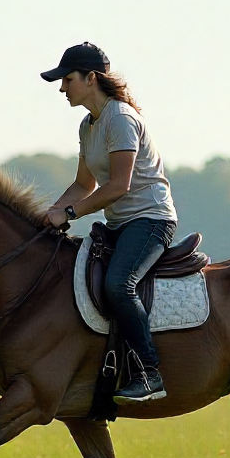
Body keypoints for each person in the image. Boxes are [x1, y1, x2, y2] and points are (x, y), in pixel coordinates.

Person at [41, 42, 178, 404]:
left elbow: (119, 185)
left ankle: (150, 374)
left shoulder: (120, 118)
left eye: (67, 79)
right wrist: (48, 213)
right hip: (119, 224)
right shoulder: (88, 125)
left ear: (90, 78)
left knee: (119, 284)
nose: (62, 88)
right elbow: (83, 184)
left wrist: (70, 214)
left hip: (151, 220)